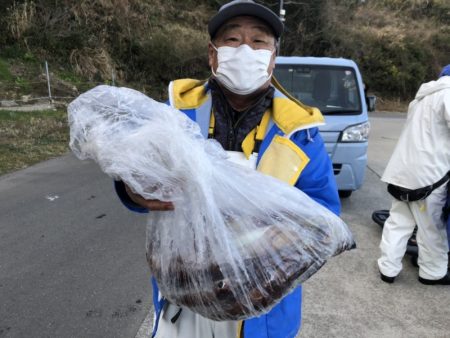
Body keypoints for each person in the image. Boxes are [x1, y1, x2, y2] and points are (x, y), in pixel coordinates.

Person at [115, 1, 340, 337]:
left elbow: (325, 217)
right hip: (183, 298)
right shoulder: (174, 114)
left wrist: (274, 246)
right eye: (232, 40)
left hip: (261, 308)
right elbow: (136, 173)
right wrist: (130, 187)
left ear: (273, 57)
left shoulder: (300, 131)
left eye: (258, 41)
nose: (245, 49)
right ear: (212, 54)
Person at [378, 64, 450, 285]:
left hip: (401, 172)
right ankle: (432, 273)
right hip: (430, 176)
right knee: (431, 227)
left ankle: (387, 269)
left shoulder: (418, 99)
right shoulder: (448, 95)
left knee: (398, 222)